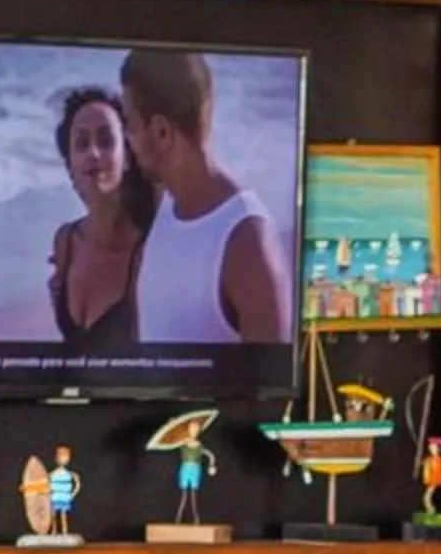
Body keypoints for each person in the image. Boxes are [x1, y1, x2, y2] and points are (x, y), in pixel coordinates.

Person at [118, 48, 290, 344]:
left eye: (130, 125)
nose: (126, 139)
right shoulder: (162, 205)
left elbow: (269, 386)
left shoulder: (247, 243)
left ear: (161, 132)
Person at [47, 86, 156, 347]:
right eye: (81, 144)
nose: (93, 154)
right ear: (69, 163)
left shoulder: (148, 253)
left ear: (127, 157)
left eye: (106, 141)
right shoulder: (66, 243)